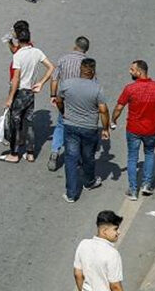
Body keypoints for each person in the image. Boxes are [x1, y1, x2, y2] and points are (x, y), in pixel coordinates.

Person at [113, 60, 155, 199]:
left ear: (140, 72)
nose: (130, 72)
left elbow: (119, 107)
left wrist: (113, 120)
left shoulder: (130, 89)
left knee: (132, 157)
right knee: (149, 154)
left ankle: (133, 190)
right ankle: (146, 184)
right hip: (151, 130)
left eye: (132, 70)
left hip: (133, 129)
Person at [57, 58, 111, 202]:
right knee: (88, 156)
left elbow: (59, 101)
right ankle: (89, 182)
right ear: (93, 71)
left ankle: (71, 194)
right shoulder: (97, 88)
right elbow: (103, 110)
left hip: (71, 126)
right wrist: (105, 128)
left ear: (80, 70)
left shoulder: (67, 84)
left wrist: (63, 113)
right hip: (89, 128)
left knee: (71, 158)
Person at [0, 26, 55, 163]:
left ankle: (14, 154)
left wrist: (10, 98)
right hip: (30, 92)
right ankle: (30, 153)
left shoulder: (18, 55)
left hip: (19, 93)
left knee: (15, 124)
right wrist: (41, 83)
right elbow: (51, 67)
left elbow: (16, 79)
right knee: (29, 123)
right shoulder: (37, 52)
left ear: (18, 40)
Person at [48, 36, 91, 171]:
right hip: (80, 101)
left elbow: (54, 79)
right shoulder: (86, 64)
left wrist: (53, 95)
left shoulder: (63, 59)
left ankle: (55, 151)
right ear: (86, 50)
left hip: (64, 99)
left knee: (61, 125)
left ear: (75, 46)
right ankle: (76, 157)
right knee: (77, 128)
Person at [73, 211, 124, 291]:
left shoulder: (83, 244)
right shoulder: (112, 254)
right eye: (115, 229)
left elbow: (78, 274)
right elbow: (115, 286)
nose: (118, 232)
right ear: (104, 231)